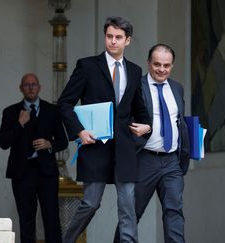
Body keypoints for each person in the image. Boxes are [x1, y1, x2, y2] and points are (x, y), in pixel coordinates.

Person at [58, 16, 152, 243]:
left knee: (128, 204)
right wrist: (79, 132)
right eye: (109, 36)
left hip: (125, 150)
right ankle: (67, 240)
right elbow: (65, 103)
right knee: (91, 203)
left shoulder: (134, 70)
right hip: (94, 146)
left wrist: (146, 127)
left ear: (127, 40)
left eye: (118, 37)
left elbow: (140, 110)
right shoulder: (87, 66)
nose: (113, 41)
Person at [114, 44, 190, 243]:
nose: (161, 69)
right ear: (148, 63)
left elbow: (179, 121)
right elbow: (122, 119)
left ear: (172, 66)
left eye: (166, 65)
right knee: (132, 213)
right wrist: (137, 129)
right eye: (157, 64)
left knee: (174, 211)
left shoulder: (177, 88)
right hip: (144, 159)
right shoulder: (135, 86)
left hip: (172, 161)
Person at [0, 73, 68, 243]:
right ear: (21, 88)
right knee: (26, 219)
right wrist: (19, 123)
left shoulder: (52, 111)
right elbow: (3, 142)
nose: (30, 87)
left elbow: (63, 141)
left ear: (39, 87)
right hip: (22, 172)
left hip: (47, 172)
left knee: (51, 217)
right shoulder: (11, 112)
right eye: (27, 85)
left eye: (34, 84)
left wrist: (49, 144)